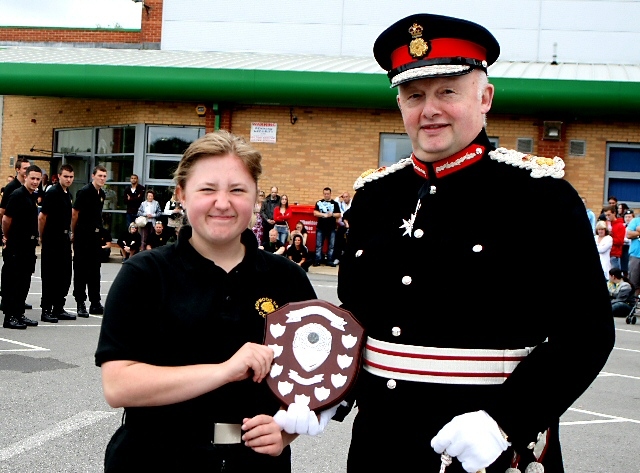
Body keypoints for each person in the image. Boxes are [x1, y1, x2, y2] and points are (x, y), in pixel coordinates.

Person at [336, 13, 614, 473]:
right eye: (414, 95)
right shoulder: (374, 197)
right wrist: (329, 394)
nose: (430, 110)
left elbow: (586, 333)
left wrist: (505, 422)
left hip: (486, 447)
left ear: (484, 98)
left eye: (448, 91)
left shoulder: (539, 195)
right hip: (380, 445)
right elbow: (357, 316)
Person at [95, 130, 318, 472]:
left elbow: (318, 374)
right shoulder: (145, 273)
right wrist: (224, 371)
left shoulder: (288, 279)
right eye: (208, 189)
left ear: (256, 197)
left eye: (237, 190)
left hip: (256, 464)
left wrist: (287, 431)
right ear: (182, 194)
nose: (223, 203)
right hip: (153, 459)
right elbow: (118, 385)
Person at [1, 165, 42, 329]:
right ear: (25, 177)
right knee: (13, 282)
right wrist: (8, 238)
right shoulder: (17, 195)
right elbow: (6, 219)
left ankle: (19, 314)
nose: (35, 182)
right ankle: (9, 317)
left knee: (24, 281)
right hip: (16, 246)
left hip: (28, 247)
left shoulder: (31, 196)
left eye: (38, 179)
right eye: (32, 178)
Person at [38, 164, 76, 323]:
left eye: (71, 177)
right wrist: (42, 237)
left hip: (64, 239)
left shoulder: (67, 193)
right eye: (66, 176)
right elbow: (42, 217)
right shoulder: (52, 192)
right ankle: (46, 309)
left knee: (65, 274)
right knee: (50, 275)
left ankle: (58, 307)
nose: (68, 179)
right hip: (52, 239)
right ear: (59, 176)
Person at [72, 165, 108, 318]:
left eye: (104, 176)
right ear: (93, 176)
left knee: (95, 271)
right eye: (100, 175)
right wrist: (74, 233)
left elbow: (98, 216)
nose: (102, 178)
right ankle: (81, 303)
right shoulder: (85, 192)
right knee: (81, 270)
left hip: (95, 237)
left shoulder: (102, 194)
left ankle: (95, 302)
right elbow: (75, 214)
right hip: (82, 236)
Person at [0, 157, 33, 312]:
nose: (27, 171)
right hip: (14, 238)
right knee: (11, 273)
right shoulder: (12, 188)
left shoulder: (28, 191)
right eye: (25, 168)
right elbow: (4, 214)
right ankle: (8, 303)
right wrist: (5, 235)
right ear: (18, 170)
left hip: (25, 241)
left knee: (22, 276)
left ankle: (18, 303)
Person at [313, 187, 341, 267]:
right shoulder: (319, 203)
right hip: (321, 227)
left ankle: (329, 260)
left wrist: (331, 214)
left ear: (330, 194)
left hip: (331, 228)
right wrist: (324, 214)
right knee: (318, 245)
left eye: (328, 194)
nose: (326, 195)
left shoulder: (335, 203)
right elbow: (315, 213)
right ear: (323, 194)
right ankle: (317, 260)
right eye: (325, 194)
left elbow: (339, 214)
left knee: (331, 246)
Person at [604, 205, 624, 270]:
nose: (607, 217)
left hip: (614, 254)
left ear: (614, 213)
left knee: (614, 275)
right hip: (605, 252)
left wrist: (610, 236)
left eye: (609, 215)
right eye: (606, 215)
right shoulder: (606, 223)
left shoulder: (620, 225)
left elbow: (620, 241)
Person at [334, 191, 352, 264]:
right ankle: (337, 258)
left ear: (349, 197)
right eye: (343, 197)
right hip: (342, 226)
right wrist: (339, 196)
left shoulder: (352, 203)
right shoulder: (341, 204)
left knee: (349, 243)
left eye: (346, 197)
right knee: (338, 241)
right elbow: (335, 201)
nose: (345, 198)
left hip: (350, 226)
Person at [622, 209, 635, 278]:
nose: (627, 219)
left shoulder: (635, 227)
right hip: (622, 247)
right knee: (623, 266)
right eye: (626, 217)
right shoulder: (622, 226)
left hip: (630, 246)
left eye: (629, 217)